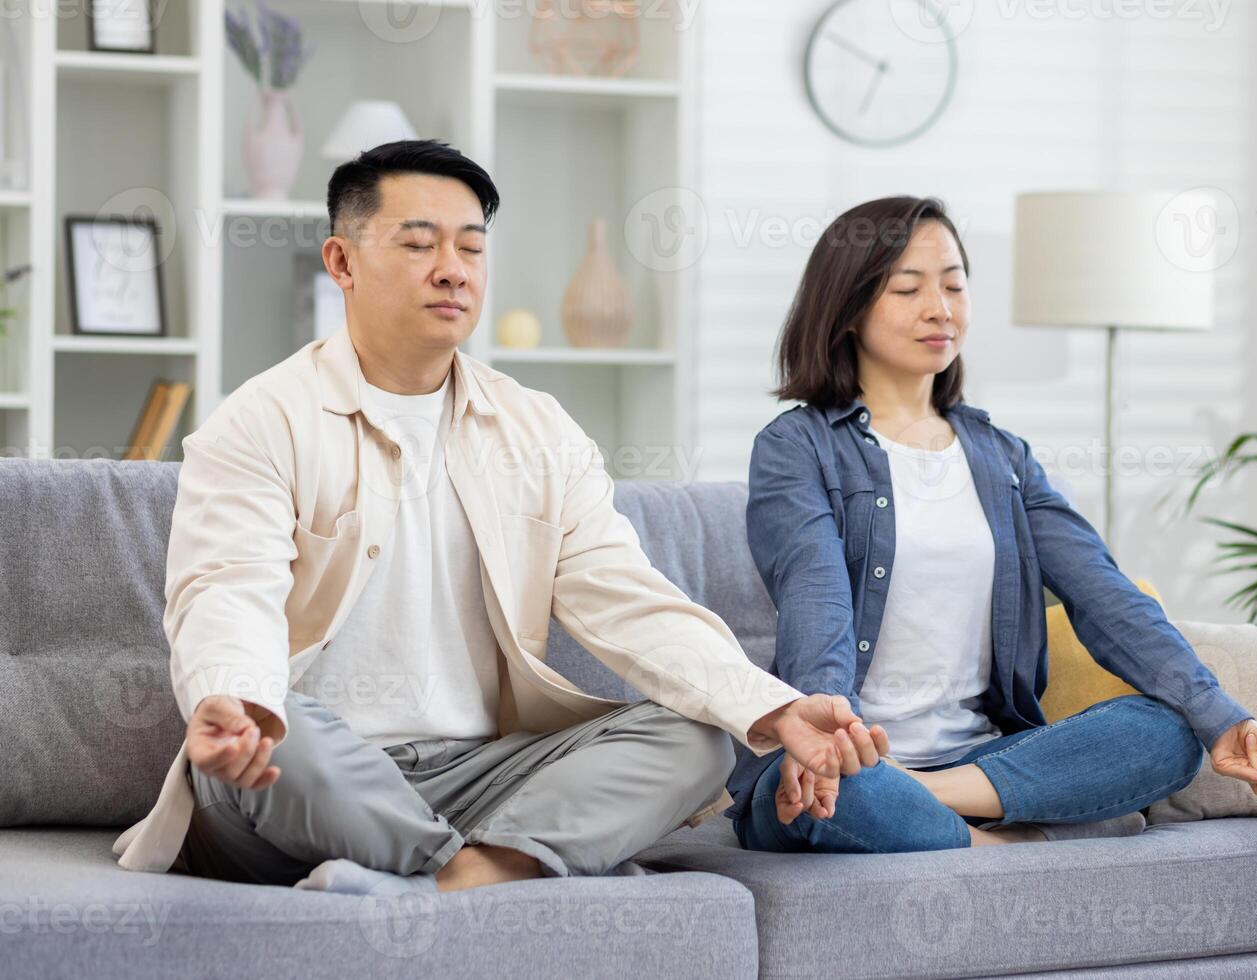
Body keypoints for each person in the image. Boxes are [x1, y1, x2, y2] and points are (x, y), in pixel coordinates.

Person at [112, 139, 886, 892]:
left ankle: (439, 878)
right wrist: (232, 698)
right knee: (288, 725)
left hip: (482, 772)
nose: (452, 270)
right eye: (419, 244)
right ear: (342, 263)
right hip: (308, 776)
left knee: (693, 741)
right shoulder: (261, 421)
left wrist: (775, 707)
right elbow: (225, 588)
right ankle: (488, 872)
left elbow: (630, 602)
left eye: (472, 248)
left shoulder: (536, 430)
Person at [727, 195, 1257, 854]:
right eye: (908, 288)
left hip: (978, 762)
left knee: (1165, 733)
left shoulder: (1004, 458)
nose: (940, 308)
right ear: (848, 308)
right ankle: (1005, 844)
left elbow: (1103, 595)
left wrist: (1220, 716)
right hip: (835, 762)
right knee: (834, 794)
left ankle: (930, 806)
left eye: (954, 285)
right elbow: (813, 595)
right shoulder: (798, 447)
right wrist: (827, 735)